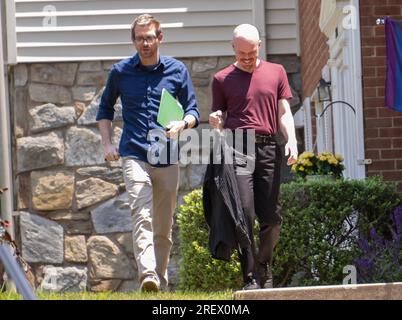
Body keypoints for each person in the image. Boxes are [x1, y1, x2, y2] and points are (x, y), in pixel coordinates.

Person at [96, 14, 199, 292]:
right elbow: (105, 109)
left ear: (160, 38)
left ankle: (159, 280)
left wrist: (182, 123)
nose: (145, 43)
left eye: (149, 37)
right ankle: (148, 275)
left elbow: (193, 110)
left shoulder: (176, 70)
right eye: (140, 38)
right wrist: (107, 143)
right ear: (134, 41)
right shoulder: (120, 72)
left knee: (163, 225)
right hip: (134, 154)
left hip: (166, 156)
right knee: (141, 213)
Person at [209, 24, 298, 290]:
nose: (247, 58)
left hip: (269, 147)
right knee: (244, 213)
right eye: (241, 53)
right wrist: (215, 120)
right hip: (238, 146)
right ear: (233, 48)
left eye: (252, 51)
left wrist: (291, 139)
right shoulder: (221, 79)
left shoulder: (276, 72)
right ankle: (249, 277)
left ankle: (264, 265)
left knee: (271, 217)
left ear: (260, 44)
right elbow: (219, 117)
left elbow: (283, 112)